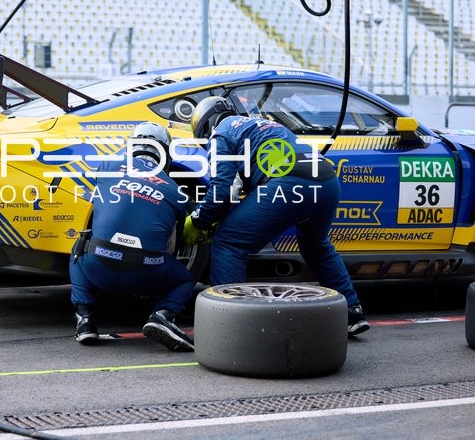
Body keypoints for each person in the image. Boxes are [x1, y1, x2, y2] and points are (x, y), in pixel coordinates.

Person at [184, 96, 370, 337]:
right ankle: (352, 311)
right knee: (317, 246)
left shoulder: (220, 133)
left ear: (205, 126)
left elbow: (223, 189)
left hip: (290, 182)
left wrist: (198, 221)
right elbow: (238, 188)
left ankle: (228, 322)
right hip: (326, 180)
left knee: (229, 242)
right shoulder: (264, 124)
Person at [69, 122, 195, 351]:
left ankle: (85, 318)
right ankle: (163, 315)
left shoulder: (107, 165)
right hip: (146, 273)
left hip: (99, 268)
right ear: (164, 153)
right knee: (185, 279)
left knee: (80, 246)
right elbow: (172, 245)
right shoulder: (176, 190)